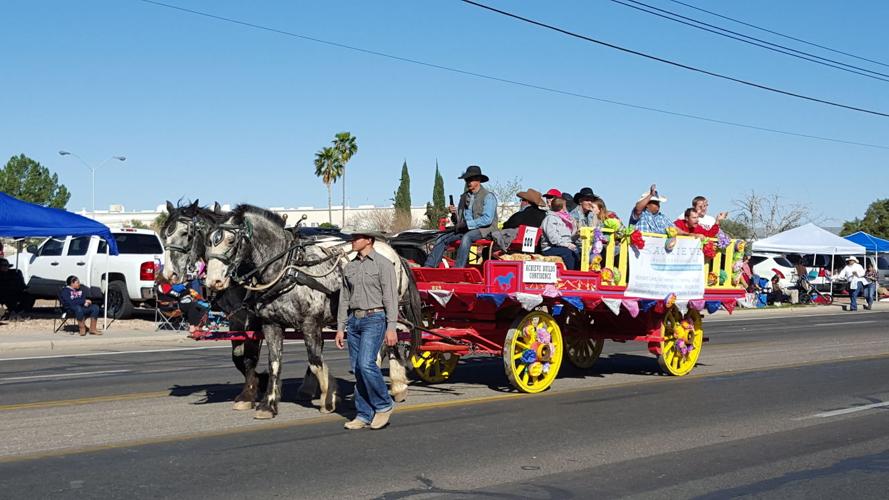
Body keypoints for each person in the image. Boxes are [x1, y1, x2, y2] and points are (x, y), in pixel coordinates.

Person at [335, 231, 399, 430]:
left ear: (369, 240)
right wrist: (340, 327)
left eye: (356, 238)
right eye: (352, 238)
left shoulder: (383, 264)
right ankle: (363, 414)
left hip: (375, 318)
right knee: (357, 369)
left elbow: (390, 298)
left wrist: (391, 327)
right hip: (354, 321)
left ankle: (384, 404)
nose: (352, 242)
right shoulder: (350, 267)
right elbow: (344, 299)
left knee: (366, 364)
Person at [424, 165, 498, 268]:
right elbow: (459, 221)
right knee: (442, 237)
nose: (468, 182)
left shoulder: (488, 196)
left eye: (470, 179)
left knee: (467, 237)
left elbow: (487, 219)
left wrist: (467, 224)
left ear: (478, 180)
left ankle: (458, 269)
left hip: (486, 229)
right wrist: (454, 214)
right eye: (466, 180)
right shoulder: (464, 197)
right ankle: (429, 266)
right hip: (466, 229)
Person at [540, 198, 579, 270]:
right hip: (550, 247)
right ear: (562, 207)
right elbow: (553, 239)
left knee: (577, 251)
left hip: (563, 245)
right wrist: (567, 245)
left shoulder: (565, 219)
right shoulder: (550, 218)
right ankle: (571, 274)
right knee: (568, 253)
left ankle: (579, 272)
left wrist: (576, 231)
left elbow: (569, 237)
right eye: (565, 205)